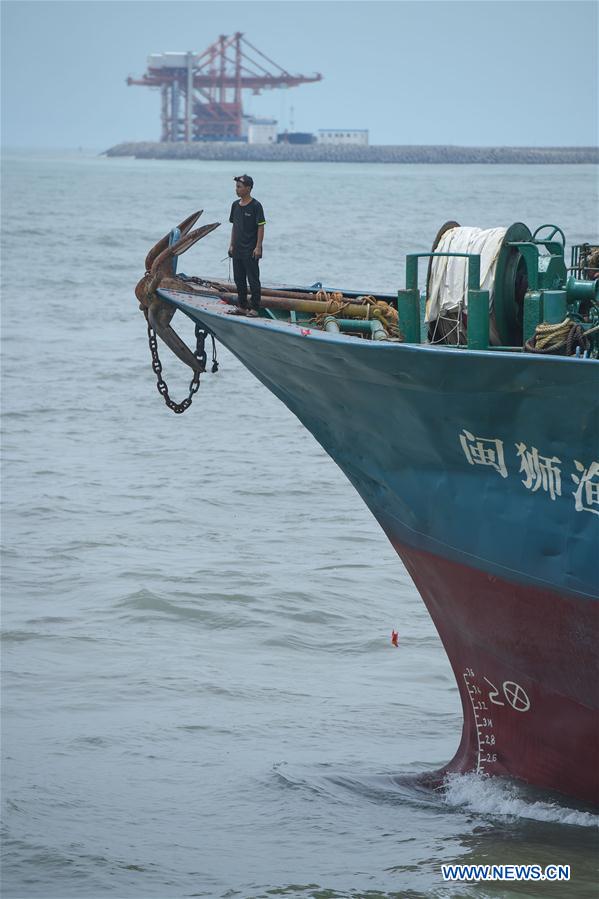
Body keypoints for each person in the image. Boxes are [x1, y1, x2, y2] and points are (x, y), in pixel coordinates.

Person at [228, 175, 266, 317]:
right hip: (237, 249)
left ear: (248, 188)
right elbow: (234, 227)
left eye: (239, 187)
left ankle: (255, 308)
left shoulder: (256, 206)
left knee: (253, 279)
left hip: (250, 250)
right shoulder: (235, 205)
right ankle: (242, 306)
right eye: (236, 187)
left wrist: (258, 246)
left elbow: (261, 227)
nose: (236, 189)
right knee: (239, 279)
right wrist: (231, 245)